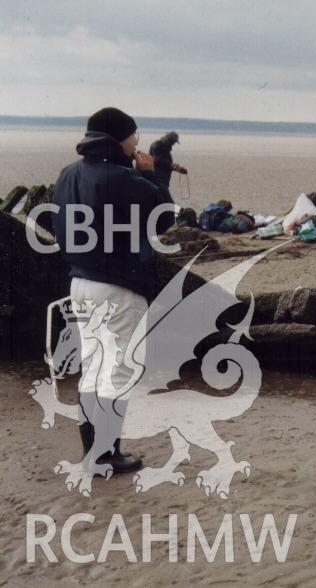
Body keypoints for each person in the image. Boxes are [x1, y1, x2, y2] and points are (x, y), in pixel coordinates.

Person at [51, 107, 176, 474]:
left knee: (93, 366)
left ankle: (94, 453)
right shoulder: (121, 177)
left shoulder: (67, 174)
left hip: (81, 282)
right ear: (120, 138)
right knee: (119, 370)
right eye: (134, 135)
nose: (137, 141)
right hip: (118, 285)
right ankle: (106, 454)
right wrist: (155, 173)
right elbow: (164, 217)